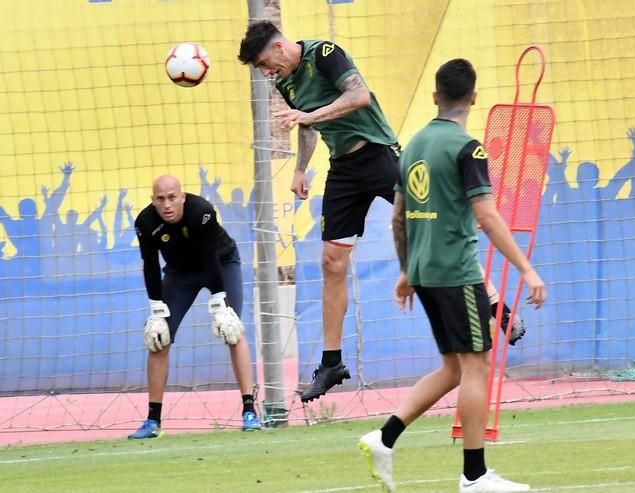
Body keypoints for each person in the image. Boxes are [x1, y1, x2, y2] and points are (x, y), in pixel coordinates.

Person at [358, 59, 546, 492]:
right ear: (474, 98)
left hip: (424, 273)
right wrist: (526, 268)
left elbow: (399, 217)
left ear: (435, 97)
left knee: (454, 367)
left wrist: (407, 270)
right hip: (457, 273)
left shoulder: (413, 146)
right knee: (477, 365)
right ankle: (475, 477)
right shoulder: (468, 148)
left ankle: (383, 438)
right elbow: (487, 215)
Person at [238, 21, 401, 402]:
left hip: (378, 154)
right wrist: (299, 168)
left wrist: (308, 117)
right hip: (343, 170)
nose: (266, 73)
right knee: (331, 263)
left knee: (428, 226)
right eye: (260, 69)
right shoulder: (285, 82)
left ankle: (493, 302)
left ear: (279, 47)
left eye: (265, 63)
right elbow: (306, 124)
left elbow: (359, 96)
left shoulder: (325, 54)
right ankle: (332, 363)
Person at [128, 175, 261, 439]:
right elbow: (152, 267)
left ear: (183, 197)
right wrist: (156, 310)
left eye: (172, 197)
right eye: (160, 199)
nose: (167, 204)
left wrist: (220, 303)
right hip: (180, 273)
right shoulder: (145, 223)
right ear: (153, 201)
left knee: (232, 330)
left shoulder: (202, 212)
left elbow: (210, 257)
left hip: (221, 264)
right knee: (158, 338)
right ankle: (153, 421)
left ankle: (250, 411)